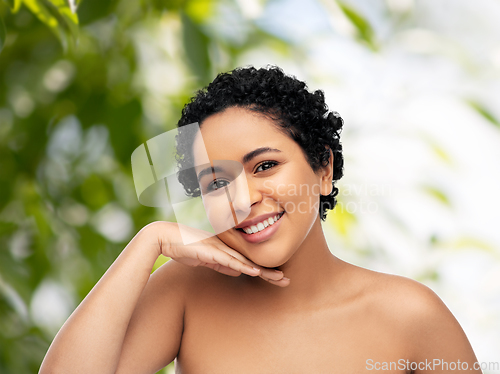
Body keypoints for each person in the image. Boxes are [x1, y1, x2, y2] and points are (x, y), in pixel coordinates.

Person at [39, 66, 481, 373]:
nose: (243, 198)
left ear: (323, 169)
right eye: (216, 183)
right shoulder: (187, 292)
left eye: (265, 166)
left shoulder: (411, 316)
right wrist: (149, 240)